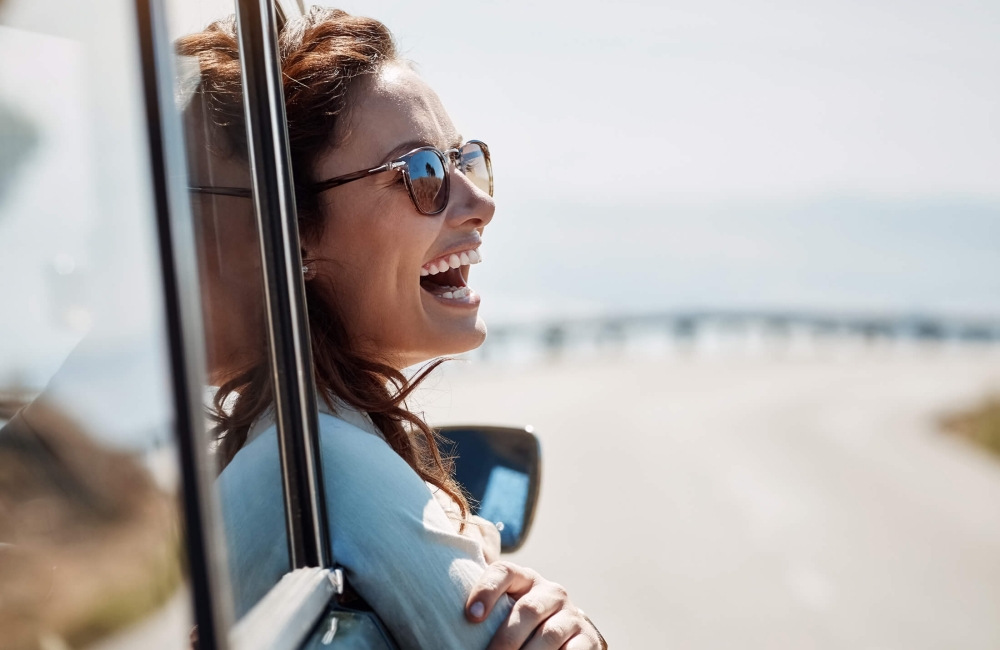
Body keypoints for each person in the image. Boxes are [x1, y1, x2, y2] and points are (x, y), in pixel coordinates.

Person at [177, 7, 606, 649]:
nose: (481, 204)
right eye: (424, 174)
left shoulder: (293, 445)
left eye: (469, 160)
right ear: (293, 239)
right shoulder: (320, 459)